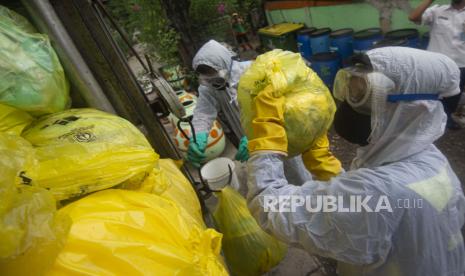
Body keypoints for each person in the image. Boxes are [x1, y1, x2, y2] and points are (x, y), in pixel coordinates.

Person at [245, 47, 465, 275]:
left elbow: (268, 206)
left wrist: (267, 144)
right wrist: (330, 172)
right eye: (349, 87)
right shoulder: (433, 161)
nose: (348, 102)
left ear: (413, 109)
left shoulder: (378, 192)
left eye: (362, 96)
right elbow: (382, 214)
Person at [187, 40, 342, 182]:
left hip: (276, 135)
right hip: (248, 143)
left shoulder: (255, 71)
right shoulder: (209, 87)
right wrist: (198, 136)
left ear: (226, 66)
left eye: (216, 78)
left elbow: (284, 105)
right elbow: (203, 113)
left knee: (295, 173)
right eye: (208, 80)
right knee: (267, 176)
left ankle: (304, 202)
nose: (214, 83)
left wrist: (257, 136)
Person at [409, 0, 465, 129]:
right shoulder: (437, 10)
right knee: (431, 94)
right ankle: (428, 121)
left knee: (454, 95)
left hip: (461, 64)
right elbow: (413, 17)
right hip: (436, 64)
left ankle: (445, 120)